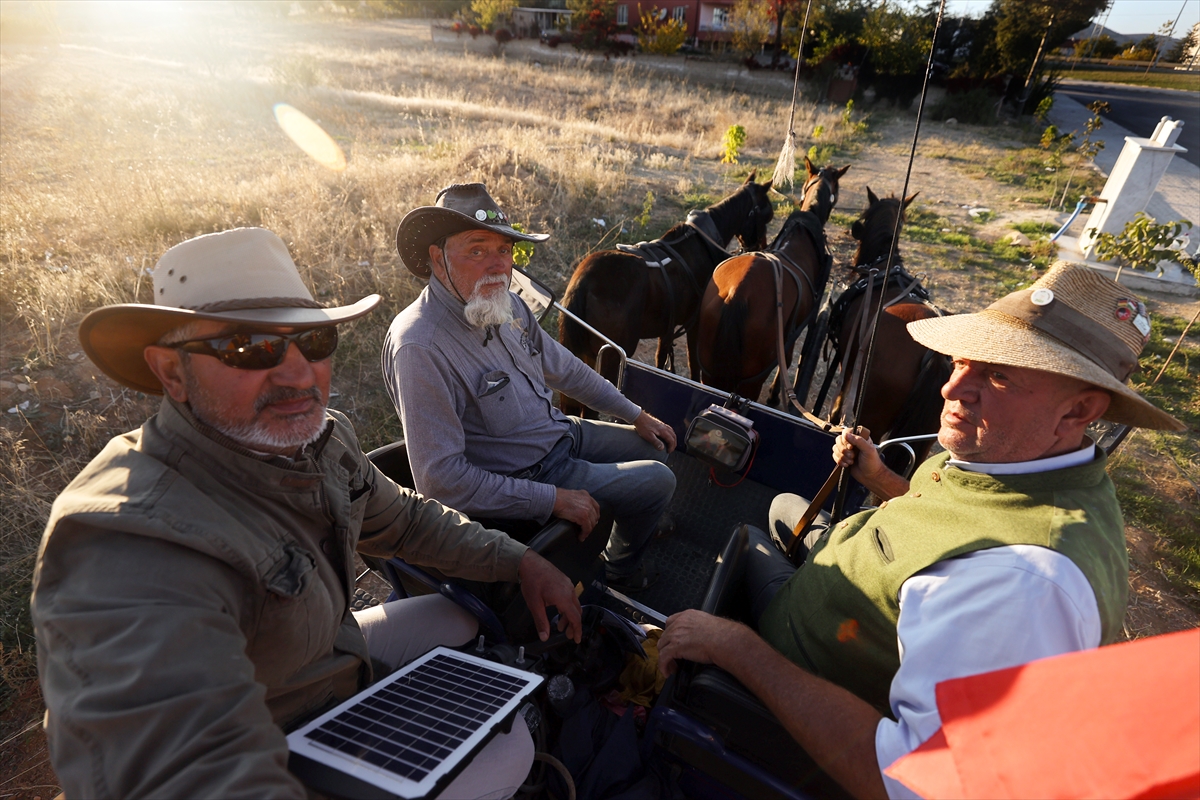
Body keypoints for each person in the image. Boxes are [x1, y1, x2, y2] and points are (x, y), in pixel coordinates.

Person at [31, 227, 584, 799]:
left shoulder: (321, 441)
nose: (299, 375)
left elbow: (408, 521)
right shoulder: (126, 535)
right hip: (269, 720)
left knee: (457, 621)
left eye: (313, 342)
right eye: (250, 348)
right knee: (510, 749)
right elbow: (175, 768)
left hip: (319, 654)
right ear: (172, 372)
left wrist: (519, 561)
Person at [655, 262, 1184, 799]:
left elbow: (913, 780)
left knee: (748, 534)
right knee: (783, 510)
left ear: (1080, 408)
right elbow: (954, 521)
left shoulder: (1026, 586)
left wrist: (735, 647)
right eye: (960, 361)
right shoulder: (1019, 457)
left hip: (776, 702)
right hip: (842, 603)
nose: (954, 387)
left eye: (998, 375)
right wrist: (880, 478)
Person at [382, 183, 678, 592]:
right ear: (437, 258)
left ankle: (625, 530)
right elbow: (442, 482)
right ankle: (620, 573)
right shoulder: (420, 346)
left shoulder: (507, 305)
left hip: (561, 432)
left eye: (505, 250)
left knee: (658, 447)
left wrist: (636, 415)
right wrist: (553, 498)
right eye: (477, 250)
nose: (498, 265)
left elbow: (567, 370)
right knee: (659, 482)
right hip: (530, 475)